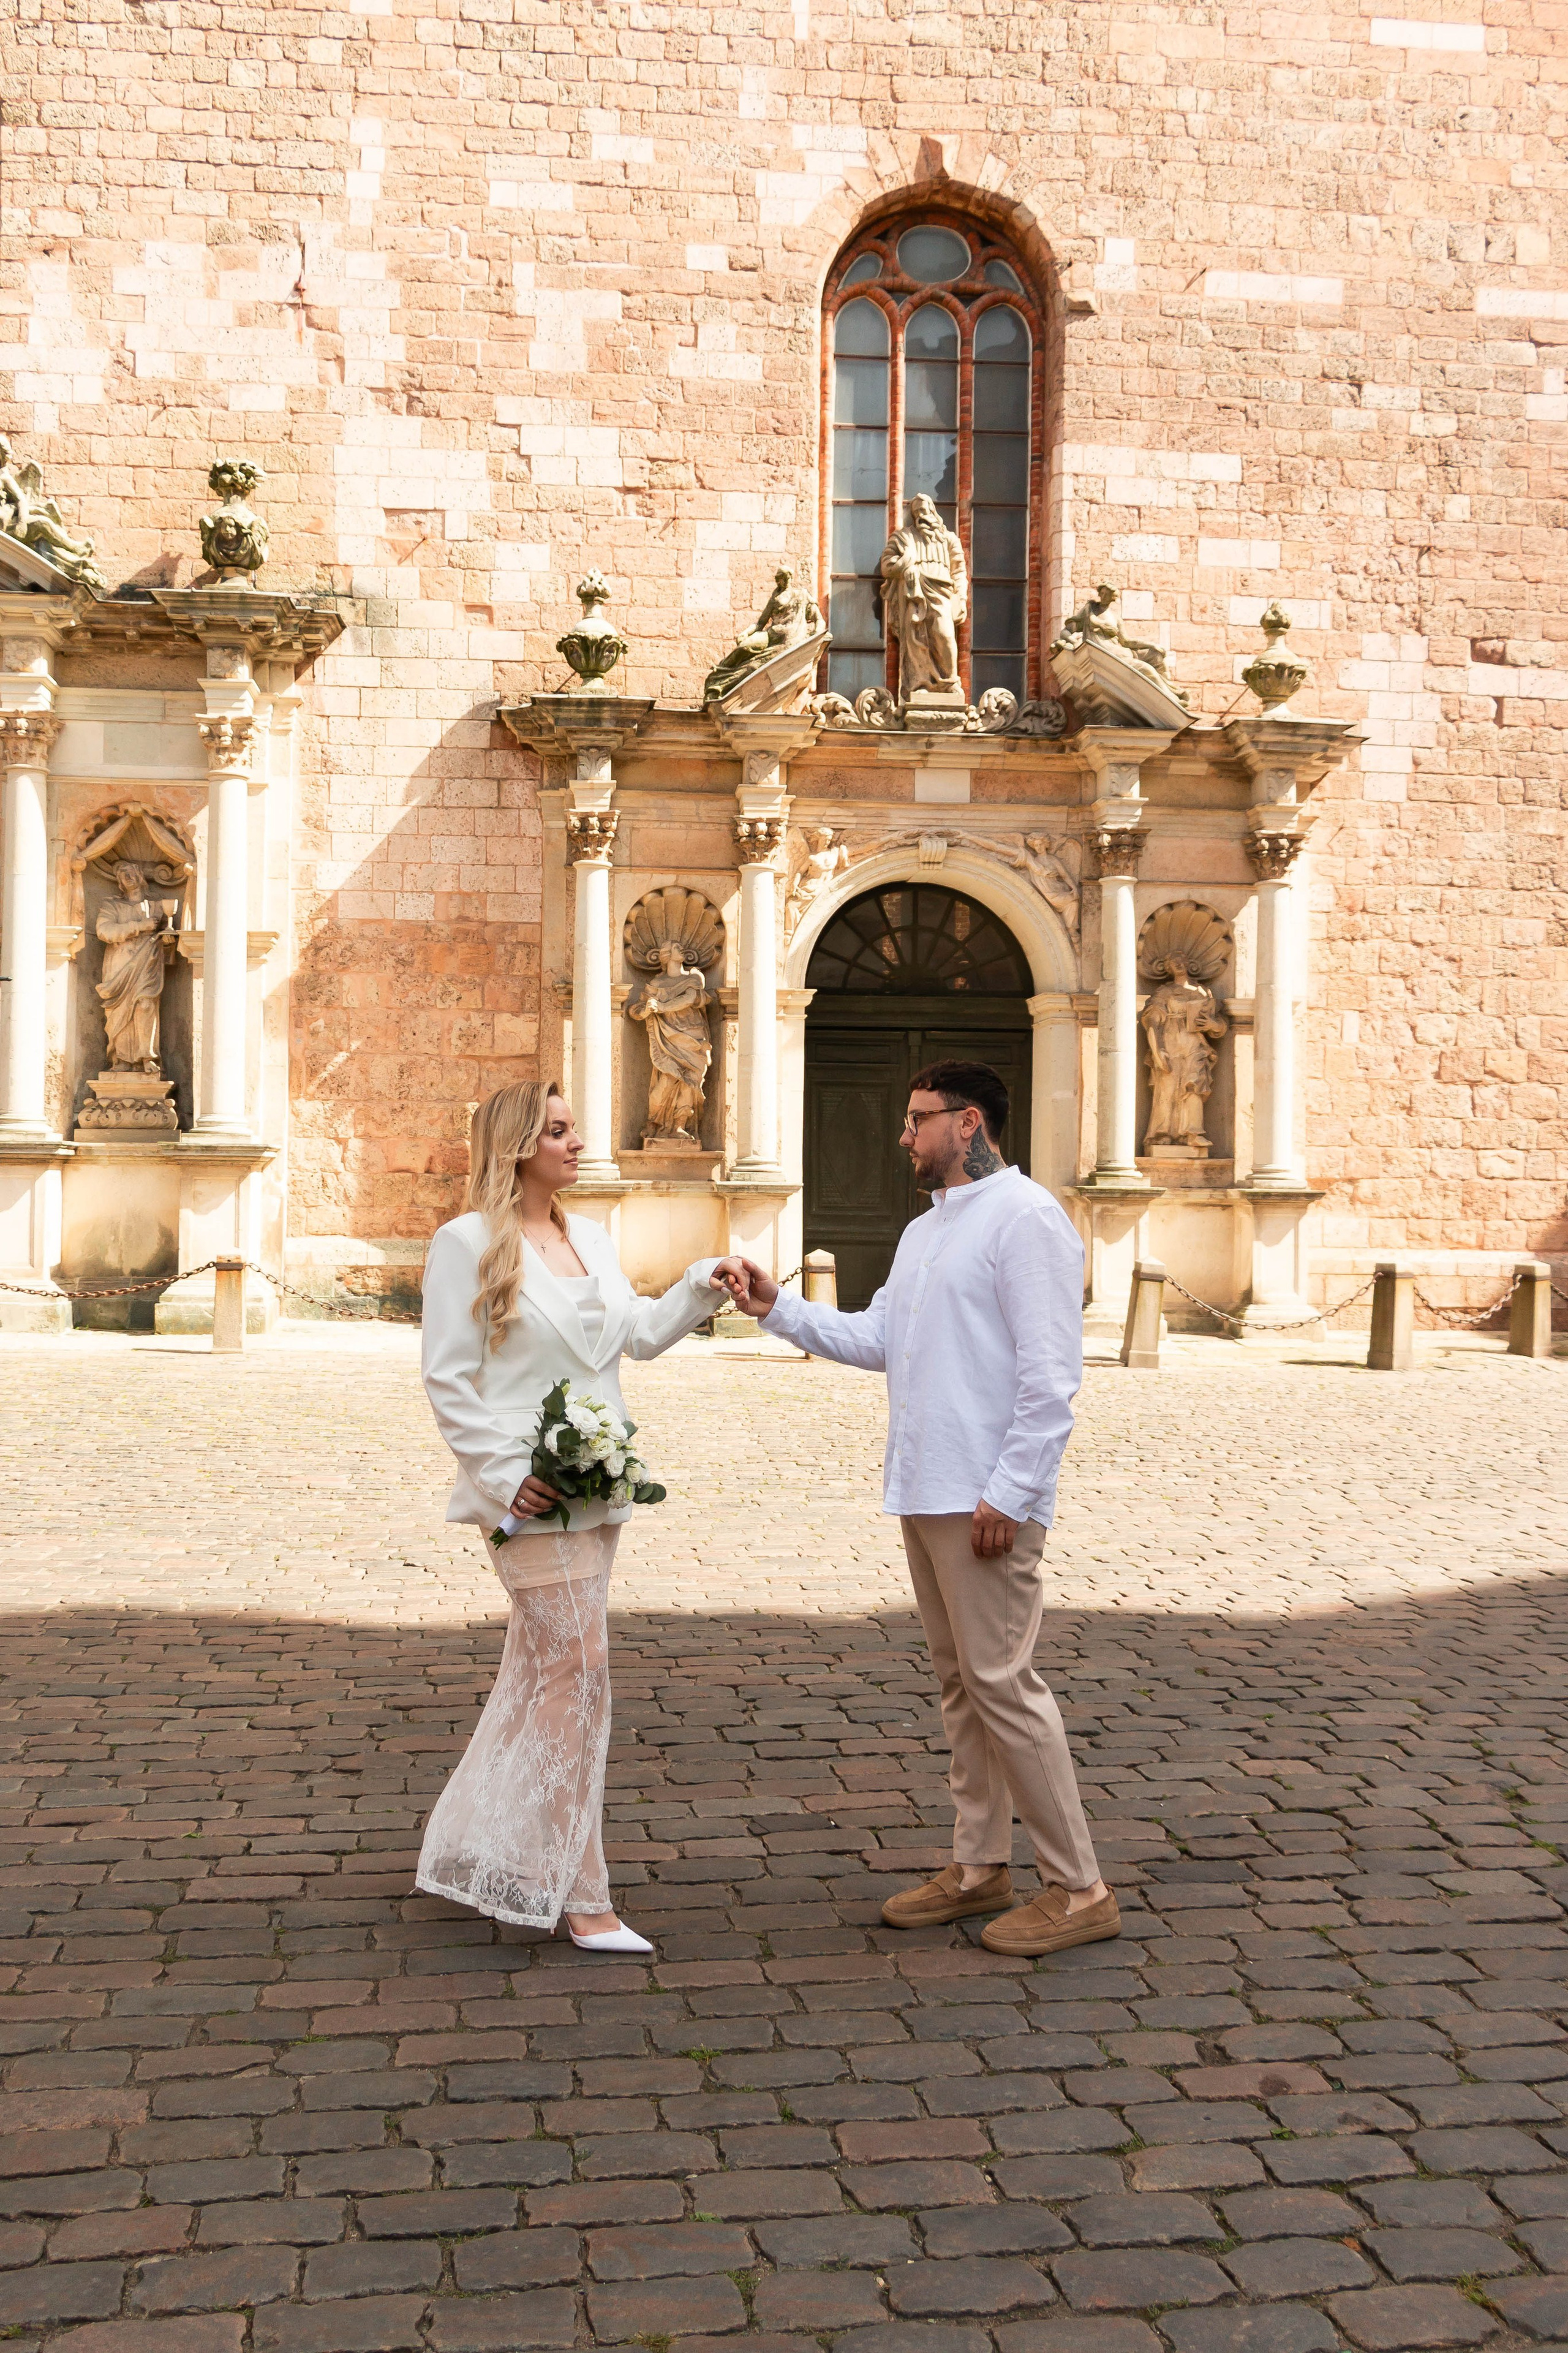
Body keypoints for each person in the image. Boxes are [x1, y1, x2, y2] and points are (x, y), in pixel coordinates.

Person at [714, 1060, 1118, 1958]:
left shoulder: (1028, 1220)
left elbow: (1052, 1377)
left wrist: (1011, 1491)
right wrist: (778, 1308)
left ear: (968, 1123)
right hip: (928, 1487)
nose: (904, 1134)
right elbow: (878, 1338)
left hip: (985, 1499)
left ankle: (1080, 1884)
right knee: (962, 1687)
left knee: (1006, 1685)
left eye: (918, 1119)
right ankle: (981, 1865)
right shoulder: (925, 1231)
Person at [418, 1080, 727, 1953]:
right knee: (581, 1671)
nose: (576, 1141)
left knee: (545, 1674)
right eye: (558, 1130)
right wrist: (508, 1472)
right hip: (529, 1492)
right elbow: (449, 1375)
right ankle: (581, 1893)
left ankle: (477, 1846)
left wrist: (706, 1281)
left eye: (573, 1126)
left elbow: (636, 1333)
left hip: (601, 1480)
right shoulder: (466, 1243)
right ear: (518, 1143)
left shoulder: (590, 1237)